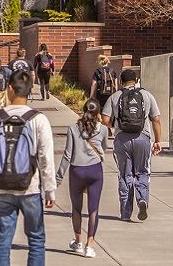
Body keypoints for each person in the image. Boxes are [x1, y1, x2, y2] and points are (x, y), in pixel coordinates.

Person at [0, 70, 56, 266]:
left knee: (3, 240)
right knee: (36, 239)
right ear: (30, 91)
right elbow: (45, 157)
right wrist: (49, 190)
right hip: (30, 187)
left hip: (2, 186)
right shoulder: (39, 119)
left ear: (10, 88)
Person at [101, 69, 162, 221]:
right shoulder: (146, 95)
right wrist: (158, 141)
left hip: (122, 140)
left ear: (121, 82)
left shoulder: (115, 97)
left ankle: (125, 212)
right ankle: (142, 199)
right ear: (136, 80)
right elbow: (156, 119)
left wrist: (117, 126)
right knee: (142, 172)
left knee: (124, 175)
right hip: (143, 138)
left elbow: (104, 119)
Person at [56, 99, 109, 259]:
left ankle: (78, 242)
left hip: (77, 170)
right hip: (95, 170)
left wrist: (59, 176)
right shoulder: (103, 129)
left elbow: (67, 154)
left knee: (76, 207)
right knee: (93, 209)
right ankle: (89, 245)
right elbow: (104, 148)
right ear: (98, 112)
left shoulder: (73, 128)